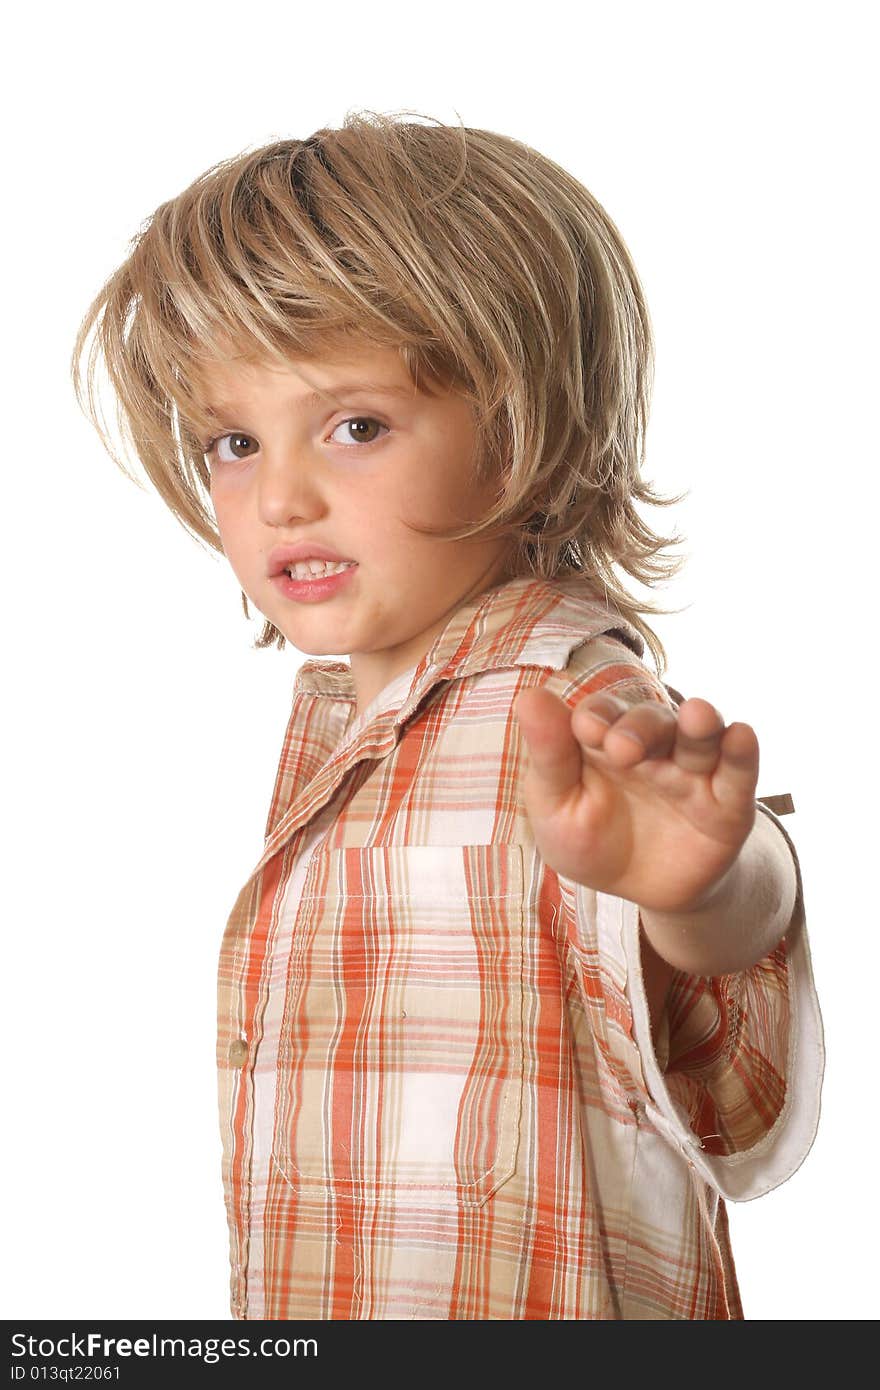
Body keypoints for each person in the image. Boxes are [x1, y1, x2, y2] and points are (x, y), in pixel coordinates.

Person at [71, 110, 824, 1320]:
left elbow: (730, 963)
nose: (280, 495)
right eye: (232, 440)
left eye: (355, 426)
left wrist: (702, 884)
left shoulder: (563, 700)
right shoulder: (336, 724)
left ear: (527, 424)